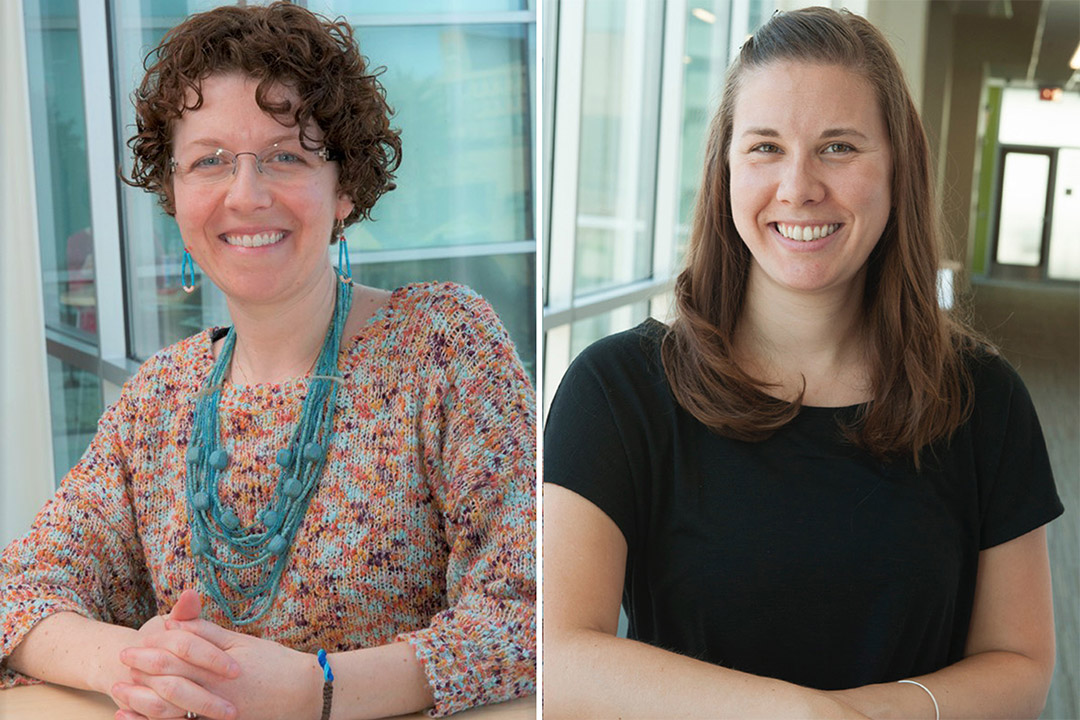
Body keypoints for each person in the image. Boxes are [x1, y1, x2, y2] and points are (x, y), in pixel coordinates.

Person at [1, 3, 535, 719]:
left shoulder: (444, 345)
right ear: (176, 195)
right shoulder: (161, 395)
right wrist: (133, 664)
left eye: (286, 156)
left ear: (344, 188)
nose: (246, 194)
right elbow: (20, 590)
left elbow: (531, 611)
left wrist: (316, 687)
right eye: (210, 161)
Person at [544, 7, 1062, 719]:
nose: (798, 186)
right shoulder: (615, 390)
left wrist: (853, 719)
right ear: (725, 168)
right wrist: (799, 715)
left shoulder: (983, 398)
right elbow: (558, 655)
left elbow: (1021, 666)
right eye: (764, 147)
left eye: (839, 147)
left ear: (897, 167)